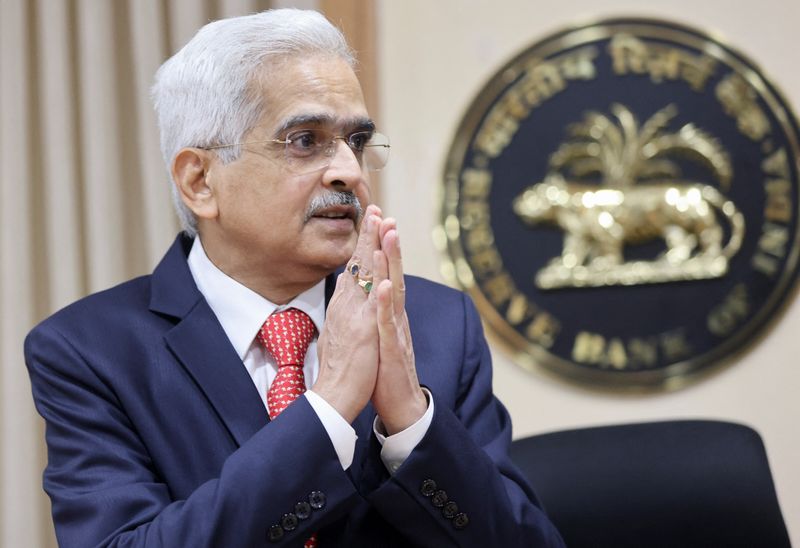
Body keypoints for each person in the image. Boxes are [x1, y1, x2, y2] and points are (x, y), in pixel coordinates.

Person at [25, 8, 564, 547]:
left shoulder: (438, 326)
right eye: (305, 141)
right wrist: (326, 411)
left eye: (355, 141)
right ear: (200, 181)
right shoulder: (90, 351)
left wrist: (410, 424)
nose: (349, 172)